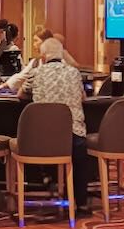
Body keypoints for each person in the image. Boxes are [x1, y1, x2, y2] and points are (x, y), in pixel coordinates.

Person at [18, 37, 90, 216]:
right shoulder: (74, 73)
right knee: (80, 148)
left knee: (32, 140)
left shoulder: (36, 73)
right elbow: (83, 98)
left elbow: (20, 95)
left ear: (43, 57)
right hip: (73, 138)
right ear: (62, 55)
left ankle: (45, 180)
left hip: (42, 139)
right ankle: (81, 203)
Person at [0, 29, 54, 93]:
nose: (34, 44)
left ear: (45, 42)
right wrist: (1, 86)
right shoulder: (35, 62)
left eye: (36, 41)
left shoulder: (58, 61)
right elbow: (20, 76)